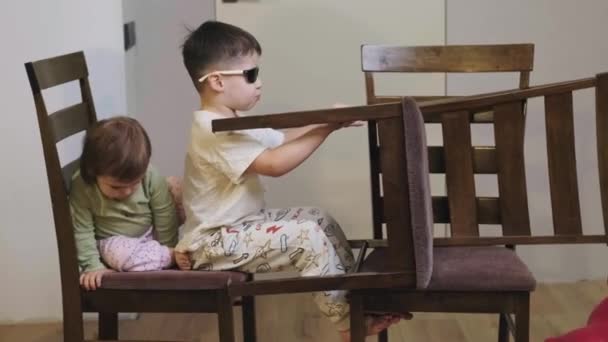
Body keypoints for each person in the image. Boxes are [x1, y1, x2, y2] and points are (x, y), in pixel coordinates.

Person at [175, 20, 401, 341]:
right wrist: (326, 128)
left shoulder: (232, 121)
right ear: (216, 82)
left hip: (241, 226)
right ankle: (349, 324)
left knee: (318, 218)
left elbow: (279, 141)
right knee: (307, 237)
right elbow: (275, 164)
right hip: (213, 243)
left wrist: (328, 119)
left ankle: (359, 299)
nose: (259, 82)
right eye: (251, 75)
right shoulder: (211, 129)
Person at [69, 116, 179, 290]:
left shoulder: (150, 175)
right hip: (112, 243)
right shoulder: (83, 185)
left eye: (134, 184)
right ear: (93, 172)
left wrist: (169, 246)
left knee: (175, 192)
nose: (127, 192)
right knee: (120, 252)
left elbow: (164, 214)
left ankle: (168, 255)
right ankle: (167, 257)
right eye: (116, 187)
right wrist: (92, 266)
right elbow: (82, 230)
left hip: (150, 235)